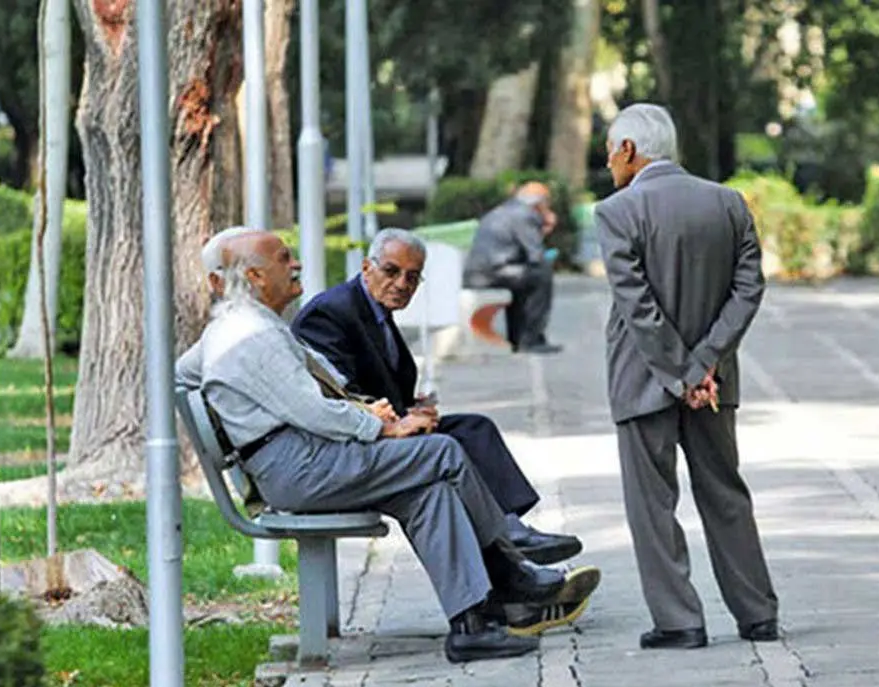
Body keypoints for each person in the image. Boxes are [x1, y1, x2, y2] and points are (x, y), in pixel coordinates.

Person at [175, 230, 599, 662]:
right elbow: (312, 411)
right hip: (299, 467)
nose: (296, 264)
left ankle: (472, 625)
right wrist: (381, 429)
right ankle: (511, 572)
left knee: (429, 492)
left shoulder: (237, 327)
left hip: (302, 460)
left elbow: (180, 374)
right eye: (285, 258)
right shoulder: (250, 335)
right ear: (255, 276)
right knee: (443, 451)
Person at [290, 228, 593, 634]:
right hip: (350, 446)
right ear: (366, 267)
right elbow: (336, 394)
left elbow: (375, 382)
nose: (402, 284)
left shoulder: (376, 311)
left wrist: (413, 408)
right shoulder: (331, 312)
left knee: (473, 429)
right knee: (445, 459)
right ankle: (510, 562)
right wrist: (397, 423)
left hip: (383, 429)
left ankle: (510, 540)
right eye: (392, 271)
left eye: (412, 277)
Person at [595, 103, 779, 650]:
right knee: (726, 494)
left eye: (610, 152)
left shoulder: (617, 211)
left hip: (643, 378)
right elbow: (749, 289)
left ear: (629, 149)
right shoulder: (728, 203)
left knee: (652, 505)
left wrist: (681, 372)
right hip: (714, 382)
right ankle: (758, 614)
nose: (608, 163)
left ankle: (679, 621)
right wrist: (706, 364)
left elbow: (637, 306)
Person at [463, 182, 562, 354]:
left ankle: (517, 338)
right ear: (540, 203)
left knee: (525, 280)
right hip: (495, 273)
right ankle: (531, 340)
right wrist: (546, 226)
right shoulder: (525, 215)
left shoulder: (502, 210)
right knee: (541, 274)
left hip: (480, 274)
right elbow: (536, 254)